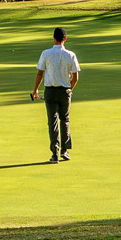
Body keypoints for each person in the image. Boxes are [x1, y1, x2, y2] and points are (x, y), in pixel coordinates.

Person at [29, 26, 81, 163]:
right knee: (65, 119)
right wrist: (70, 89)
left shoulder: (46, 53)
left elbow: (40, 73)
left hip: (50, 91)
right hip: (65, 91)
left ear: (53, 38)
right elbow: (75, 77)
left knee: (52, 121)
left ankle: (55, 153)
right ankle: (64, 150)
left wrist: (35, 90)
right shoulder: (70, 55)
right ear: (65, 39)